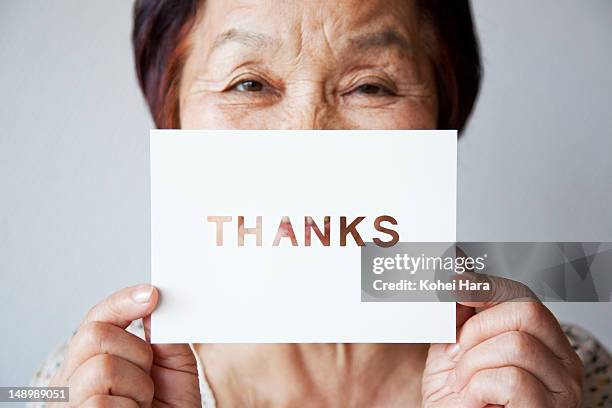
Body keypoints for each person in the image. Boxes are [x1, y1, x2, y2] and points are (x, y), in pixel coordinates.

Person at [33, 0, 612, 406]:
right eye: (248, 83)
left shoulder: (557, 374)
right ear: (173, 116)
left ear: (444, 111)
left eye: (372, 86)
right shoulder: (94, 384)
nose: (307, 135)